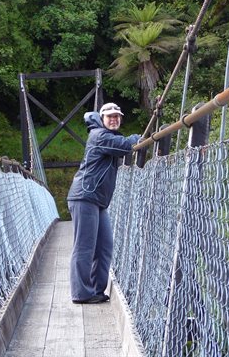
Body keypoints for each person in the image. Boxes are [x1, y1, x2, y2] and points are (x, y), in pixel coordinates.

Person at [66, 102, 141, 304]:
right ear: (101, 119)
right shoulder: (99, 136)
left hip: (97, 199)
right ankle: (81, 293)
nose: (114, 119)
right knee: (84, 246)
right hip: (84, 196)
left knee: (104, 246)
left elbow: (121, 146)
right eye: (110, 116)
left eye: (117, 116)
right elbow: (126, 147)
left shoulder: (108, 136)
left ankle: (97, 289)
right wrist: (137, 139)